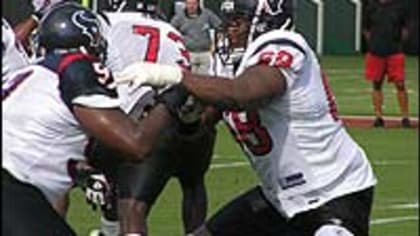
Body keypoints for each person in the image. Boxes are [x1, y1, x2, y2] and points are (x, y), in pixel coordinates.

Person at [113, 0, 378, 235]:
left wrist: (175, 76)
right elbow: (202, 122)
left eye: (238, 21)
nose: (230, 29)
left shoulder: (286, 45)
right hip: (280, 198)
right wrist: (183, 114)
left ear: (266, 21)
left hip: (334, 191)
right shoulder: (230, 61)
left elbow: (244, 95)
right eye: (228, 20)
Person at [2, 2, 190, 235]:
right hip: (14, 193)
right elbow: (136, 144)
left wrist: (82, 172)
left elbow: (34, 141)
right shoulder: (76, 68)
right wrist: (174, 94)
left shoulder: (29, 75)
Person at [84, 1, 217, 235]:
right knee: (193, 184)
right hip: (185, 117)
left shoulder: (107, 23)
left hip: (143, 120)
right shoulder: (170, 30)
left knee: (131, 206)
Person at [363, 0, 411, 128]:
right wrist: (374, 43)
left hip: (394, 52)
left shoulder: (399, 7)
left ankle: (405, 117)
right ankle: (378, 117)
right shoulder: (371, 7)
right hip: (375, 52)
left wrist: (397, 43)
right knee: (376, 84)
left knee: (400, 84)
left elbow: (405, 29)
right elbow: (366, 29)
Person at [170, 0, 222, 75]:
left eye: (194, 3)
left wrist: (216, 44)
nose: (191, 6)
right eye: (189, 3)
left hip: (205, 53)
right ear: (185, 4)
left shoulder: (207, 14)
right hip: (188, 54)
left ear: (198, 4)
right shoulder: (179, 17)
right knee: (190, 80)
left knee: (203, 80)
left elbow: (219, 27)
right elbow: (171, 31)